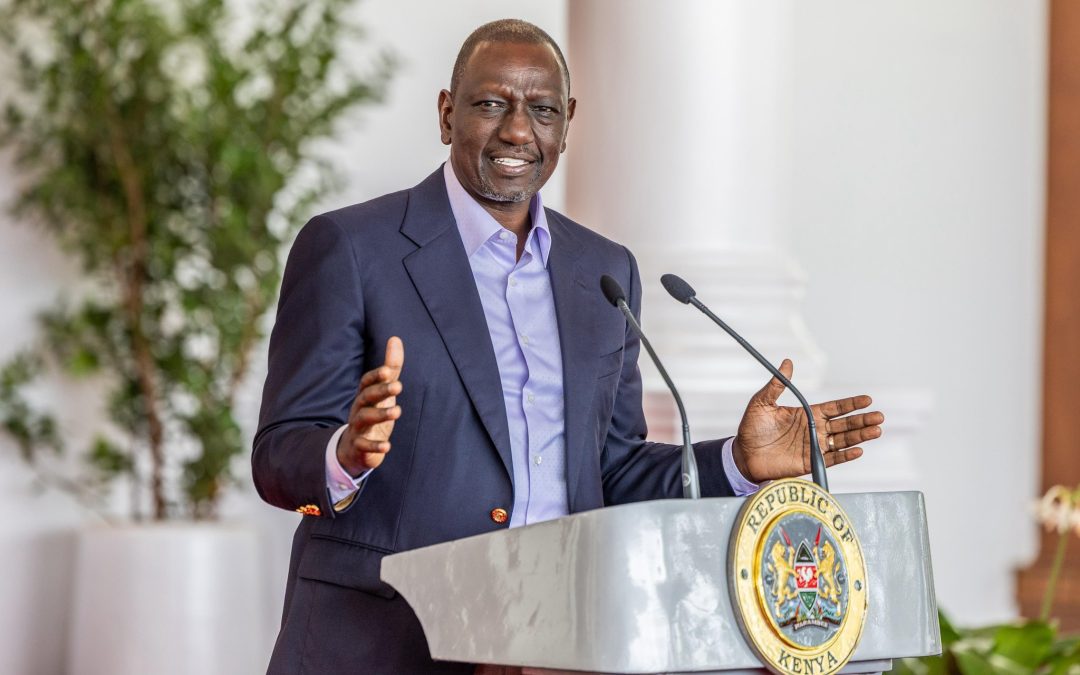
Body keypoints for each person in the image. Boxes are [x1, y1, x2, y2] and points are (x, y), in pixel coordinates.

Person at [252, 19, 884, 674]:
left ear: (567, 123)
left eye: (542, 109)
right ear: (446, 113)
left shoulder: (603, 273)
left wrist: (737, 461)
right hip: (384, 643)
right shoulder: (352, 249)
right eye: (491, 102)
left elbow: (611, 470)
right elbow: (276, 454)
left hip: (555, 645)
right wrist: (343, 455)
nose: (518, 131)